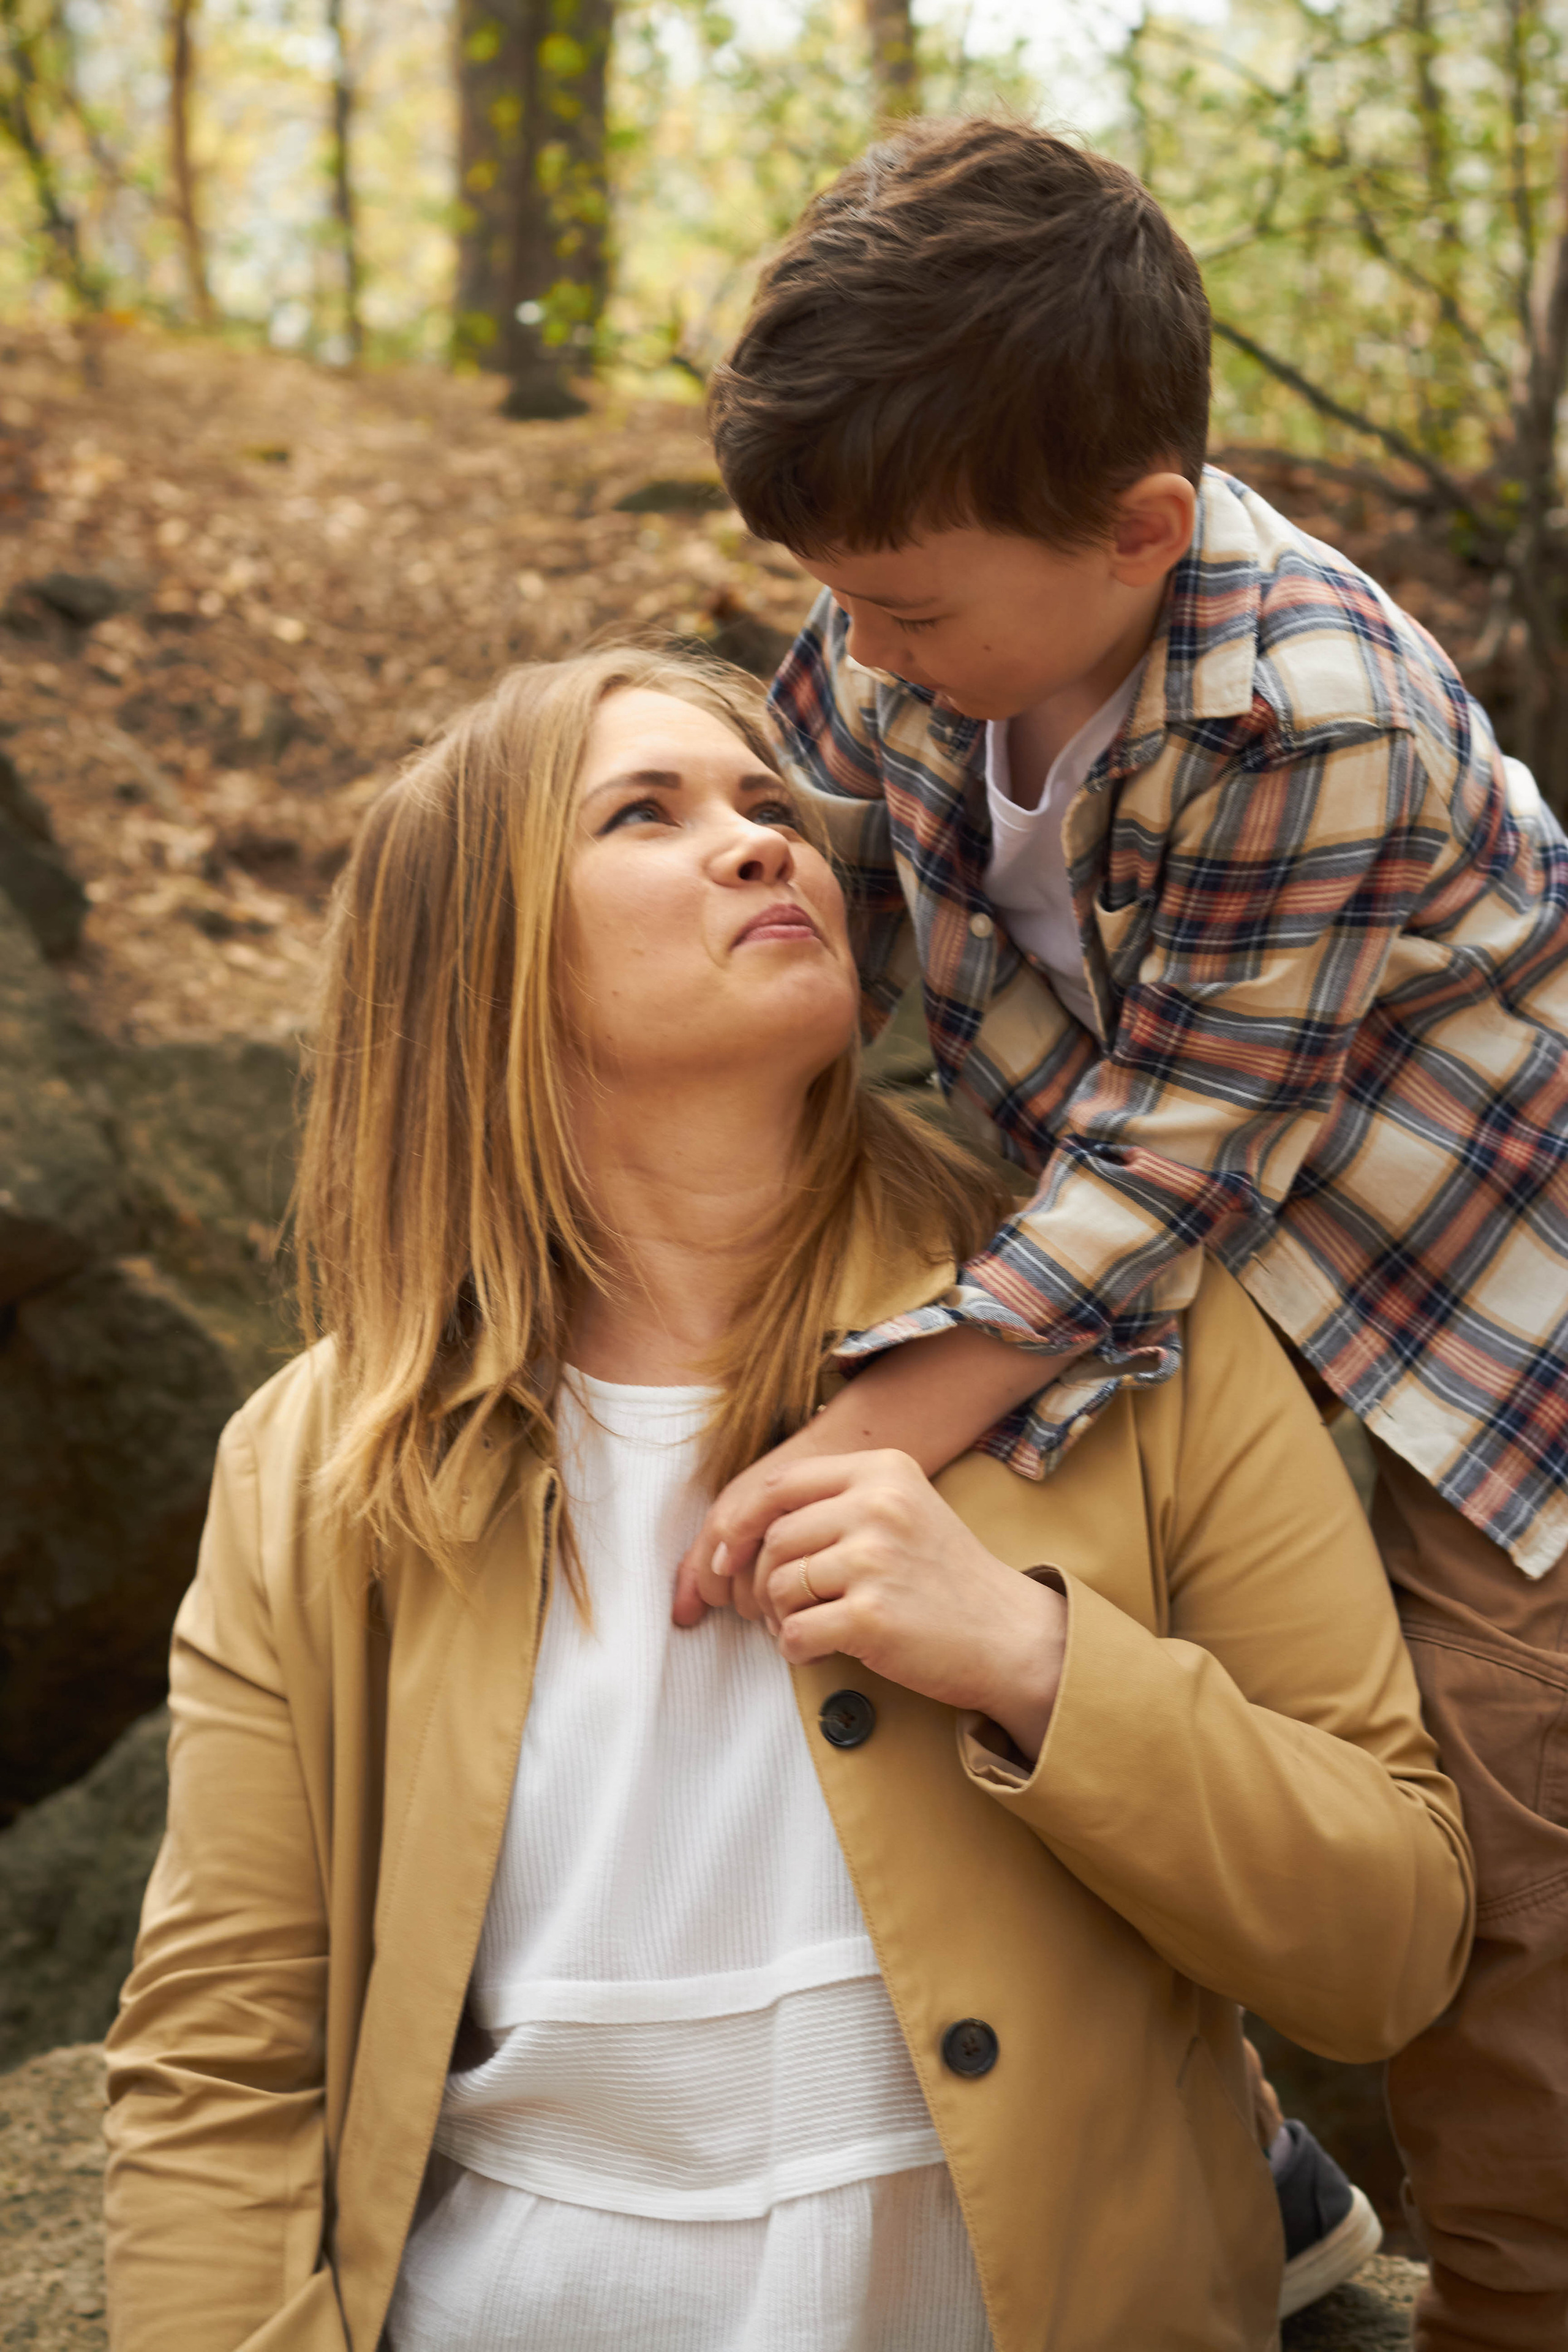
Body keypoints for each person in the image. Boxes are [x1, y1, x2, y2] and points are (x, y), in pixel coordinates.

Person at [104, 647, 1471, 2352]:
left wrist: (1037, 1665)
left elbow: (1392, 1943)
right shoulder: (319, 1462)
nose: (765, 844)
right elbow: (228, 2056)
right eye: (644, 816)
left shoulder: (1128, 1334)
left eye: (768, 804)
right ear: (476, 956)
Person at [702, 117, 1568, 2352]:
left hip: (1468, 1335)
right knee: (1064, 1698)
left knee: (1502, 1862)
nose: (862, 643)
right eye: (838, 595)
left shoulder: (1311, 716)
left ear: (1140, 533)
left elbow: (1173, 1163)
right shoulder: (903, 622)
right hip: (1150, 1287)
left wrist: (861, 1434)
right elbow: (838, 920)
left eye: (906, 605)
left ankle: (1509, 2285)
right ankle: (1239, 2158)